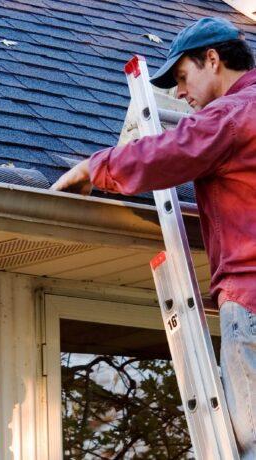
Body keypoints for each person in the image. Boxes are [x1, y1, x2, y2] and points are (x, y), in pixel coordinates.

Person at [51, 16, 256, 458]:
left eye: (183, 77)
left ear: (213, 60)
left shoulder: (235, 114)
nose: (180, 94)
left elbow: (174, 150)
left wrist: (95, 167)